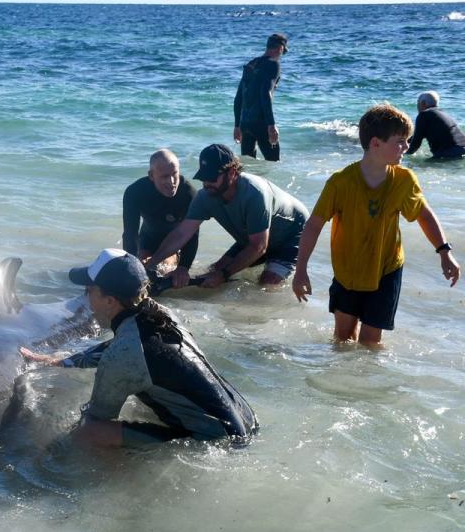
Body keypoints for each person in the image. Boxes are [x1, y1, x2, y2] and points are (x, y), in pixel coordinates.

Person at [20, 249, 257, 447]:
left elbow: (95, 417)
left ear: (110, 301)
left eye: (89, 290)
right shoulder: (159, 314)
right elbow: (123, 348)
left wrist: (49, 447)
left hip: (219, 441)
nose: (87, 298)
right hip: (244, 419)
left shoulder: (123, 357)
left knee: (88, 433)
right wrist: (64, 361)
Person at [293, 103, 460, 346]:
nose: (406, 147)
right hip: (347, 271)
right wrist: (300, 271)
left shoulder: (404, 180)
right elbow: (314, 225)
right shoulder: (340, 183)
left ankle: (370, 381)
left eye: (407, 140)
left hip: (387, 269)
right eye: (400, 141)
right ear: (375, 144)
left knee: (370, 343)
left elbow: (424, 214)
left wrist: (445, 252)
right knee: (343, 339)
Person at [146, 144, 308, 288]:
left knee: (266, 284)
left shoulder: (254, 194)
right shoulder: (205, 196)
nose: (206, 183)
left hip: (292, 234)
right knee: (212, 272)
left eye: (212, 177)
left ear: (232, 173)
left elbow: (259, 247)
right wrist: (151, 265)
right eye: (203, 178)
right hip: (252, 236)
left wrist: (224, 274)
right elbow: (181, 234)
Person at [121, 149, 197, 289]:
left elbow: (192, 236)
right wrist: (131, 267)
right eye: (164, 176)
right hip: (147, 239)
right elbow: (130, 234)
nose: (172, 182)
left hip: (175, 245)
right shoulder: (135, 192)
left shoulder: (189, 194)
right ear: (151, 175)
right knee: (142, 269)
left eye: (175, 174)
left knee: (164, 268)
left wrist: (183, 267)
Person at [233, 33, 288, 161]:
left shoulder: (251, 64)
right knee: (274, 163)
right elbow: (266, 93)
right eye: (283, 51)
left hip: (245, 123)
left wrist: (237, 125)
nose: (282, 54)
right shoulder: (273, 64)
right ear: (280, 48)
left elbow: (239, 97)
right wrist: (271, 125)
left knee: (248, 165)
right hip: (261, 123)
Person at [406, 91, 465, 160]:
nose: (417, 105)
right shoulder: (441, 113)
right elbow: (418, 135)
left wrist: (403, 156)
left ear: (423, 103)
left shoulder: (424, 115)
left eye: (417, 102)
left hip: (451, 153)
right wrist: (404, 141)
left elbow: (415, 144)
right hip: (461, 149)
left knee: (423, 166)